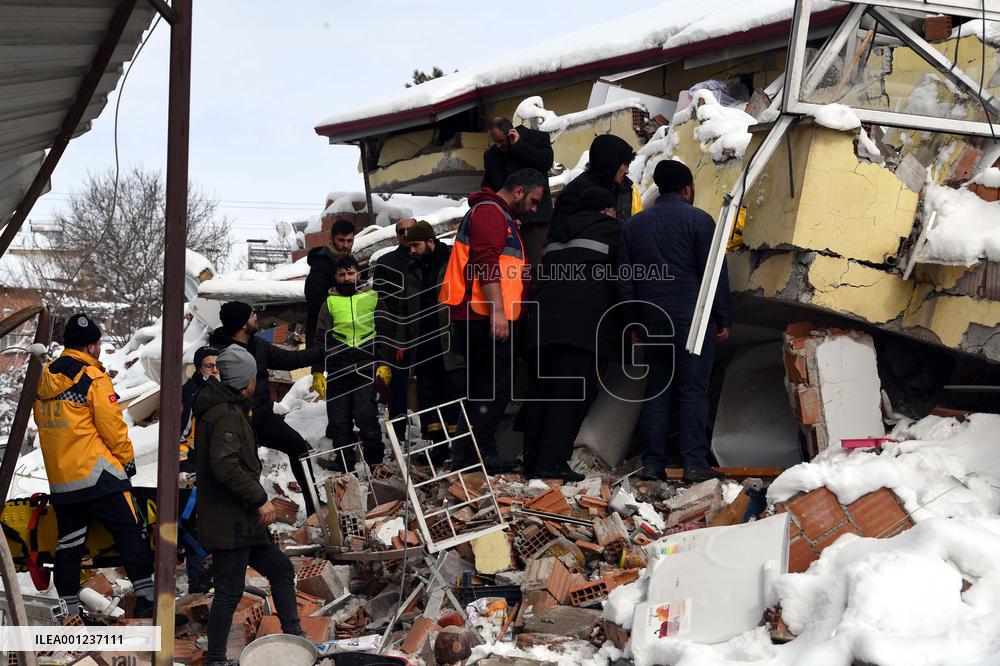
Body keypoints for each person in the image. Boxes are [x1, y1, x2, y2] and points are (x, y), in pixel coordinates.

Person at [617, 160, 732, 484]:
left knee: (657, 390)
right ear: (687, 189)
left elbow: (625, 281)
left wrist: (634, 322)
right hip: (691, 321)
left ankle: (653, 465)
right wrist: (723, 316)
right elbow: (714, 273)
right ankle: (694, 464)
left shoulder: (634, 226)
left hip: (653, 321)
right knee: (693, 390)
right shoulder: (700, 221)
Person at [33, 313, 154, 618]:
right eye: (98, 344)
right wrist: (126, 463)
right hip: (99, 475)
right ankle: (148, 600)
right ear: (91, 346)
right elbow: (113, 428)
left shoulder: (43, 378)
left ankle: (70, 611)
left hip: (63, 482)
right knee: (131, 530)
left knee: (69, 545)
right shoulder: (93, 377)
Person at [194, 345, 302, 666]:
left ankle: (295, 637)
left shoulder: (231, 407)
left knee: (281, 570)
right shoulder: (226, 414)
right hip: (231, 521)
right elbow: (225, 466)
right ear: (246, 381)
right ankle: (216, 659)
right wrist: (259, 499)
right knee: (229, 592)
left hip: (242, 520)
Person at [440, 168, 544, 473]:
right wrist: (498, 311)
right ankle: (480, 455)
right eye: (533, 201)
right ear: (518, 191)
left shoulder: (498, 215)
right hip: (483, 314)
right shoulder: (490, 213)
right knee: (495, 388)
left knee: (483, 388)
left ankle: (466, 457)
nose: (534, 209)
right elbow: (486, 263)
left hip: (482, 314)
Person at [522, 187, 624, 481]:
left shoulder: (556, 234)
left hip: (540, 328)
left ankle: (532, 461)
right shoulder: (612, 231)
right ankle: (552, 462)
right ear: (606, 210)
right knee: (569, 397)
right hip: (580, 329)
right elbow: (623, 279)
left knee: (540, 395)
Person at [209, 301, 323, 516]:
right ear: (242, 323)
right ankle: (250, 515)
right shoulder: (220, 354)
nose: (256, 318)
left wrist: (324, 353)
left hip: (263, 417)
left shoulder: (257, 344)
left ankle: (314, 503)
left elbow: (289, 359)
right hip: (239, 422)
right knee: (247, 469)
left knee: (297, 447)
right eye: (252, 315)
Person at [313, 254, 390, 469]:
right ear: (335, 277)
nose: (347, 278)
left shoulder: (373, 297)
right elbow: (320, 338)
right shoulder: (329, 302)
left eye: (350, 273)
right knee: (339, 422)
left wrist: (385, 363)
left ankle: (376, 465)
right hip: (338, 370)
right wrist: (317, 371)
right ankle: (346, 469)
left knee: (366, 417)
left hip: (366, 367)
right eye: (342, 274)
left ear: (358, 273)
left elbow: (386, 333)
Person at [399, 220, 464, 449]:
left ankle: (458, 450)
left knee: (453, 399)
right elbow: (405, 310)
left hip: (451, 345)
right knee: (429, 402)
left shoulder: (452, 262)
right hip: (424, 349)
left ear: (430, 241)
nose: (412, 250)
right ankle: (438, 448)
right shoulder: (412, 270)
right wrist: (403, 343)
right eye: (409, 246)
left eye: (415, 245)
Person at [178, 345, 219, 594]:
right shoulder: (190, 393)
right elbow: (179, 434)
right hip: (194, 466)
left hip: (215, 463)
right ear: (198, 367)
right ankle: (198, 578)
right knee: (194, 521)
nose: (214, 370)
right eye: (209, 365)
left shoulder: (218, 388)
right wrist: (184, 466)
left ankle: (215, 572)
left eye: (217, 365)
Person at [370, 217, 416, 422]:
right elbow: (379, 302)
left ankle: (433, 432)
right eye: (401, 231)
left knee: (430, 382)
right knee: (397, 384)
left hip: (425, 328)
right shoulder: (386, 263)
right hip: (397, 333)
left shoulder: (428, 259)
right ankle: (398, 428)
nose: (405, 234)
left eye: (410, 230)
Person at [551, 134, 643, 226]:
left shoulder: (627, 190)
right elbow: (560, 230)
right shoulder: (574, 193)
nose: (627, 171)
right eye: (625, 164)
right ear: (611, 163)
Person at [481, 117, 554, 226]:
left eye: (501, 141)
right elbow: (488, 183)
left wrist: (519, 146)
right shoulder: (490, 155)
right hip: (506, 219)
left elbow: (546, 162)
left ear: (511, 133)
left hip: (536, 220)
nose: (498, 146)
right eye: (495, 141)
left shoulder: (537, 138)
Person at [305, 218, 356, 357]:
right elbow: (313, 296)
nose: (345, 245)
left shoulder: (350, 261)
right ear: (331, 239)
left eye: (349, 241)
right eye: (341, 240)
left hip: (345, 333)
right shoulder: (321, 263)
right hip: (323, 333)